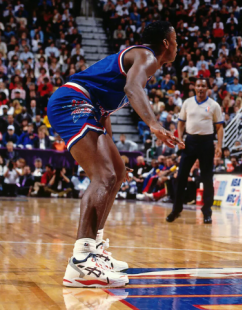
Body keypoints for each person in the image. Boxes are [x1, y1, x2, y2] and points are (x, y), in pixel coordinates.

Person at [47, 21, 180, 288]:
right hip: (72, 101)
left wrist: (114, 155)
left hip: (90, 107)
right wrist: (153, 123)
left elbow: (105, 112)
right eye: (176, 39)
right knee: (103, 176)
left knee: (116, 173)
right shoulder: (147, 56)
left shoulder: (140, 61)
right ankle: (82, 259)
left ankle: (95, 249)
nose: (177, 45)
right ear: (166, 43)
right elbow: (133, 90)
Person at [166, 77, 223, 224]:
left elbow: (219, 127)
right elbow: (180, 122)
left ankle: (207, 212)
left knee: (207, 178)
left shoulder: (214, 105)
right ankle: (176, 209)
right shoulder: (187, 103)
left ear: (207, 88)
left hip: (206, 142)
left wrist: (219, 146)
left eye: (203, 85)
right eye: (198, 86)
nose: (201, 88)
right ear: (195, 88)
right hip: (190, 141)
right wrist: (179, 139)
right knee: (181, 176)